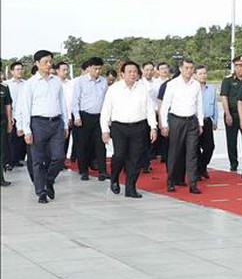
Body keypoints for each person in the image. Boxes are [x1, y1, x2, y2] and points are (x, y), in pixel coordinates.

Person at [17, 50, 70, 204]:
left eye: (50, 61)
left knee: (59, 157)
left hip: (56, 123)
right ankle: (41, 192)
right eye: (45, 62)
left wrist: (65, 123)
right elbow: (25, 108)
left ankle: (49, 180)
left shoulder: (56, 82)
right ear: (37, 64)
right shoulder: (30, 84)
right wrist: (26, 129)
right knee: (38, 160)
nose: (49, 64)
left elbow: (62, 104)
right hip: (38, 124)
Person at [100, 61, 158, 198]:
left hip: (139, 127)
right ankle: (114, 179)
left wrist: (153, 127)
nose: (132, 74)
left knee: (135, 158)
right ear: (122, 74)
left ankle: (130, 187)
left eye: (135, 72)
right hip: (119, 127)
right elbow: (106, 110)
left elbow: (149, 109)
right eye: (129, 72)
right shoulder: (114, 89)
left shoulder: (142, 89)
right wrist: (104, 130)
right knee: (119, 155)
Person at [160, 58, 204, 194]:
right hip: (176, 120)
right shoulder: (172, 84)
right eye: (186, 68)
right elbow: (165, 106)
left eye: (191, 68)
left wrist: (200, 123)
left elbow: (199, 105)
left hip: (191, 121)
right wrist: (164, 124)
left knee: (192, 153)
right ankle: (171, 180)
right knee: (175, 152)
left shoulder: (196, 84)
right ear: (180, 69)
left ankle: (193, 183)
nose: (189, 71)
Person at [71, 57, 109, 181]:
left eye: (99, 68)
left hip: (100, 116)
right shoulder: (80, 81)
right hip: (84, 116)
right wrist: (76, 116)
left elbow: (107, 100)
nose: (97, 71)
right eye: (95, 68)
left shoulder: (104, 82)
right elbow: (75, 100)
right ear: (89, 68)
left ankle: (102, 171)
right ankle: (83, 170)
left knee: (100, 144)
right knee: (84, 145)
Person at [221, 55, 242, 172]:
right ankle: (233, 163)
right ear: (235, 67)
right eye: (239, 66)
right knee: (232, 141)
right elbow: (224, 97)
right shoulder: (228, 80)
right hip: (231, 113)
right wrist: (227, 114)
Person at [195, 65, 218, 180]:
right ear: (195, 75)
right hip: (195, 122)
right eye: (200, 73)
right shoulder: (193, 88)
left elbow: (214, 106)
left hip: (207, 120)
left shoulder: (211, 89)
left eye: (204, 73)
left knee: (210, 146)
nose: (203, 76)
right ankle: (198, 170)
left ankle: (203, 166)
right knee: (195, 147)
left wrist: (215, 120)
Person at [5, 62, 26, 170]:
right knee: (10, 139)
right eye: (17, 69)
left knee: (20, 139)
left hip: (23, 115)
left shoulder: (26, 84)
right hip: (11, 115)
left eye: (21, 69)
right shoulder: (6, 84)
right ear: (12, 71)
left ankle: (17, 159)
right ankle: (9, 161)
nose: (20, 71)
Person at [1, 76, 12, 186]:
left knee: (2, 151)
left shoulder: (4, 88)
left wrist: (9, 122)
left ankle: (1, 177)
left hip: (2, 122)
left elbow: (8, 105)